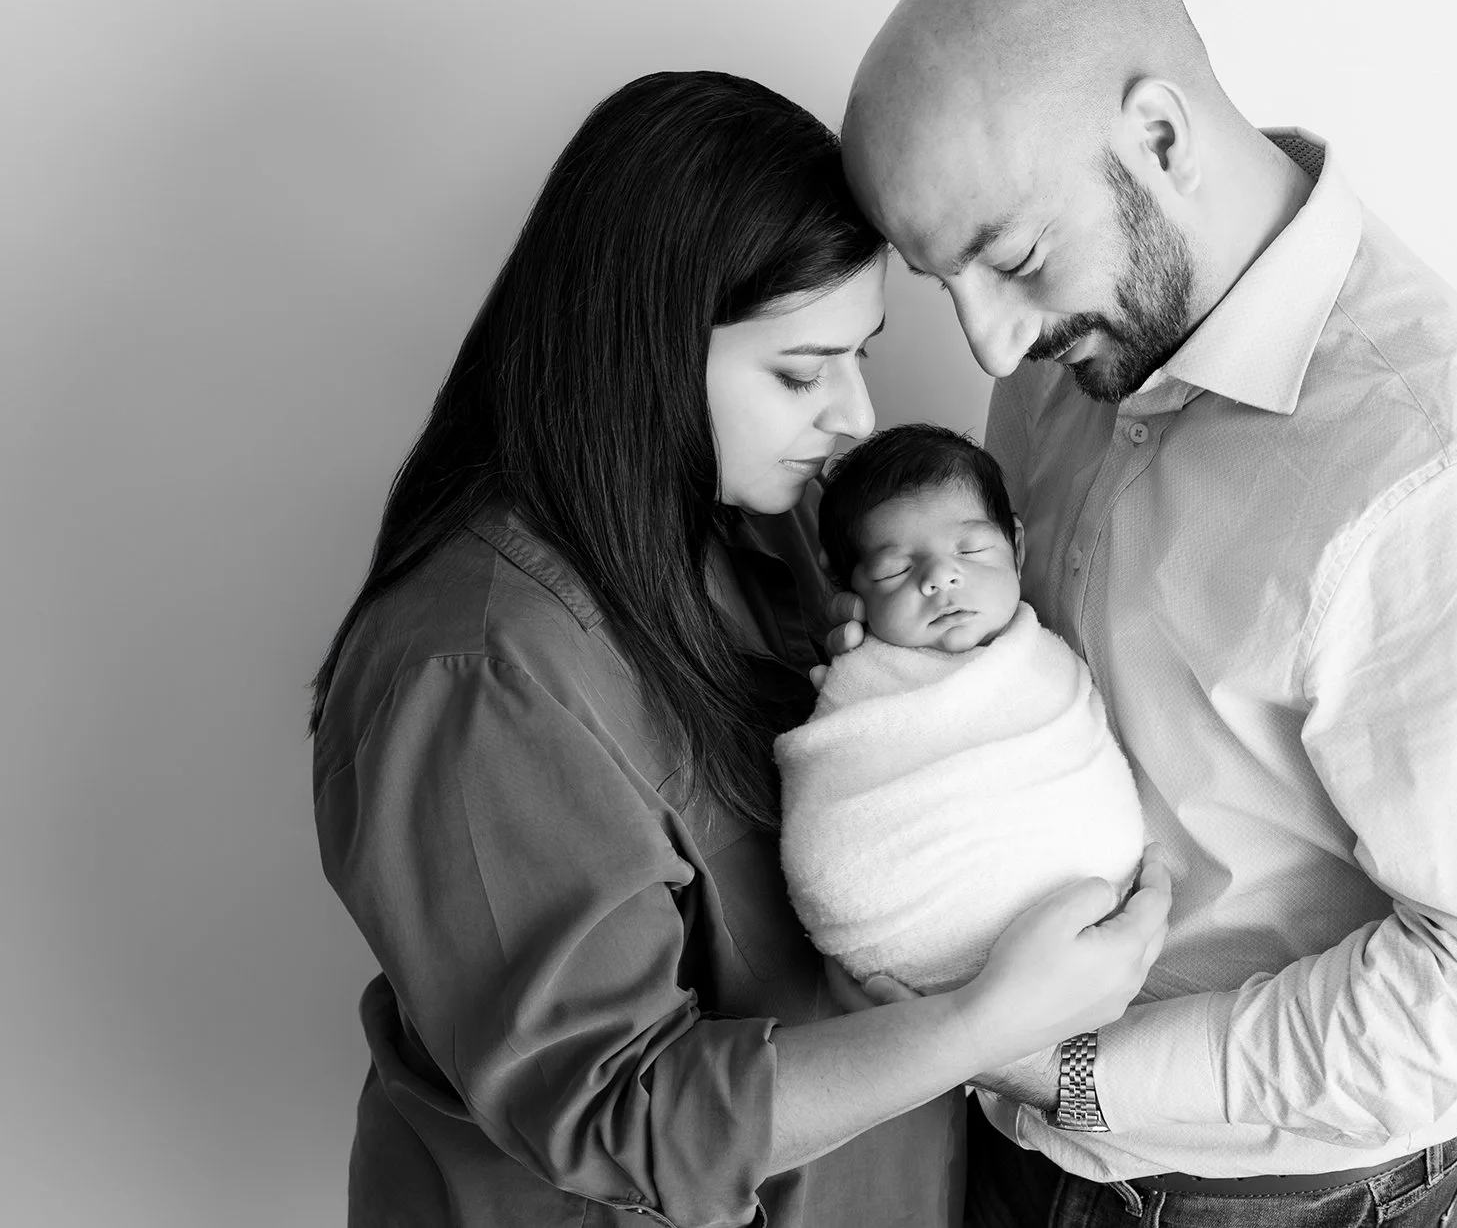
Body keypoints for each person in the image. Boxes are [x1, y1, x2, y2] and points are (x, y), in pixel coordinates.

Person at [835, 0, 1457, 1226]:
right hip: (987, 1127)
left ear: (1160, 139)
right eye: (945, 284)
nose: (986, 345)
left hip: (1264, 1199)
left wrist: (1080, 1076)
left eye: (1014, 258)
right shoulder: (1062, 350)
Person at [309, 70, 1170, 1228]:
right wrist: (984, 1024)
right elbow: (617, 1110)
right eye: (801, 372)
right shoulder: (477, 671)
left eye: (859, 356)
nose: (854, 416)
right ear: (643, 350)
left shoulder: (772, 528)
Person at [775, 424, 1145, 996]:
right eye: (896, 570)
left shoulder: (1044, 661)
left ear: (1016, 549)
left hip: (1090, 939)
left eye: (970, 550)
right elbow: (836, 804)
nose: (940, 578)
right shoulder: (859, 685)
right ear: (850, 591)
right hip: (915, 954)